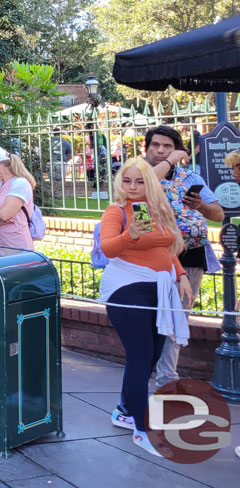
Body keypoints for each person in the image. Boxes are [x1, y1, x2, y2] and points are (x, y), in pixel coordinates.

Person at [98, 158, 191, 458]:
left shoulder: (159, 209)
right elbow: (108, 247)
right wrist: (130, 234)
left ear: (149, 182)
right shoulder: (116, 210)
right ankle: (142, 428)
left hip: (160, 290)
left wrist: (182, 276)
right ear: (120, 183)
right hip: (127, 288)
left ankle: (124, 411)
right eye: (127, 181)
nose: (133, 187)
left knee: (151, 355)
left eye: (139, 181)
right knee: (139, 357)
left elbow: (166, 249)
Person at [141, 125, 224, 387]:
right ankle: (142, 376)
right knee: (149, 318)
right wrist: (168, 161)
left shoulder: (189, 177)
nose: (161, 150)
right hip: (152, 254)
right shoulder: (138, 172)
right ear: (147, 148)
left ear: (178, 149)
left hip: (191, 254)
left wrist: (200, 205)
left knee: (178, 318)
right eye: (155, 145)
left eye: (167, 146)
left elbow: (219, 214)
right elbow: (146, 186)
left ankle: (167, 379)